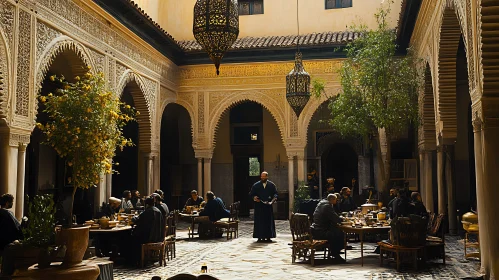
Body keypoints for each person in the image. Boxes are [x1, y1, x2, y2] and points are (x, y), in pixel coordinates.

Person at [310, 194, 345, 262]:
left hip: (315, 228)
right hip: (320, 231)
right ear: (332, 200)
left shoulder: (321, 203)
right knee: (340, 234)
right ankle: (335, 253)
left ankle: (334, 251)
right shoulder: (327, 206)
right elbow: (335, 218)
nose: (336, 202)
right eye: (336, 200)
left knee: (336, 232)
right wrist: (343, 219)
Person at [129, 197, 163, 265]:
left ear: (146, 204)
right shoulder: (158, 211)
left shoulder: (148, 212)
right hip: (158, 237)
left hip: (148, 238)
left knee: (130, 238)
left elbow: (137, 220)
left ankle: (133, 259)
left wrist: (133, 217)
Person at [249, 171, 278, 242]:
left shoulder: (271, 185)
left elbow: (275, 194)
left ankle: (268, 236)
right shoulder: (256, 185)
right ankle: (259, 236)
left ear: (267, 177)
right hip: (259, 206)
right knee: (259, 221)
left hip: (268, 206)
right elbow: (251, 194)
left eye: (264, 176)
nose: (262, 178)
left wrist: (272, 201)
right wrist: (254, 198)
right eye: (262, 176)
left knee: (268, 221)